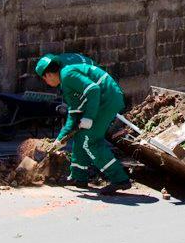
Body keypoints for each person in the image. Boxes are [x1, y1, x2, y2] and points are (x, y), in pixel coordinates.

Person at [35, 55, 131, 195]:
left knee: (90, 140)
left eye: (44, 79)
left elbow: (93, 90)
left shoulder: (67, 75)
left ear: (48, 75)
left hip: (107, 100)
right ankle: (78, 177)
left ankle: (120, 179)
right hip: (101, 101)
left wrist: (88, 117)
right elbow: (73, 114)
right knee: (80, 137)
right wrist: (60, 139)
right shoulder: (65, 81)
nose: (46, 82)